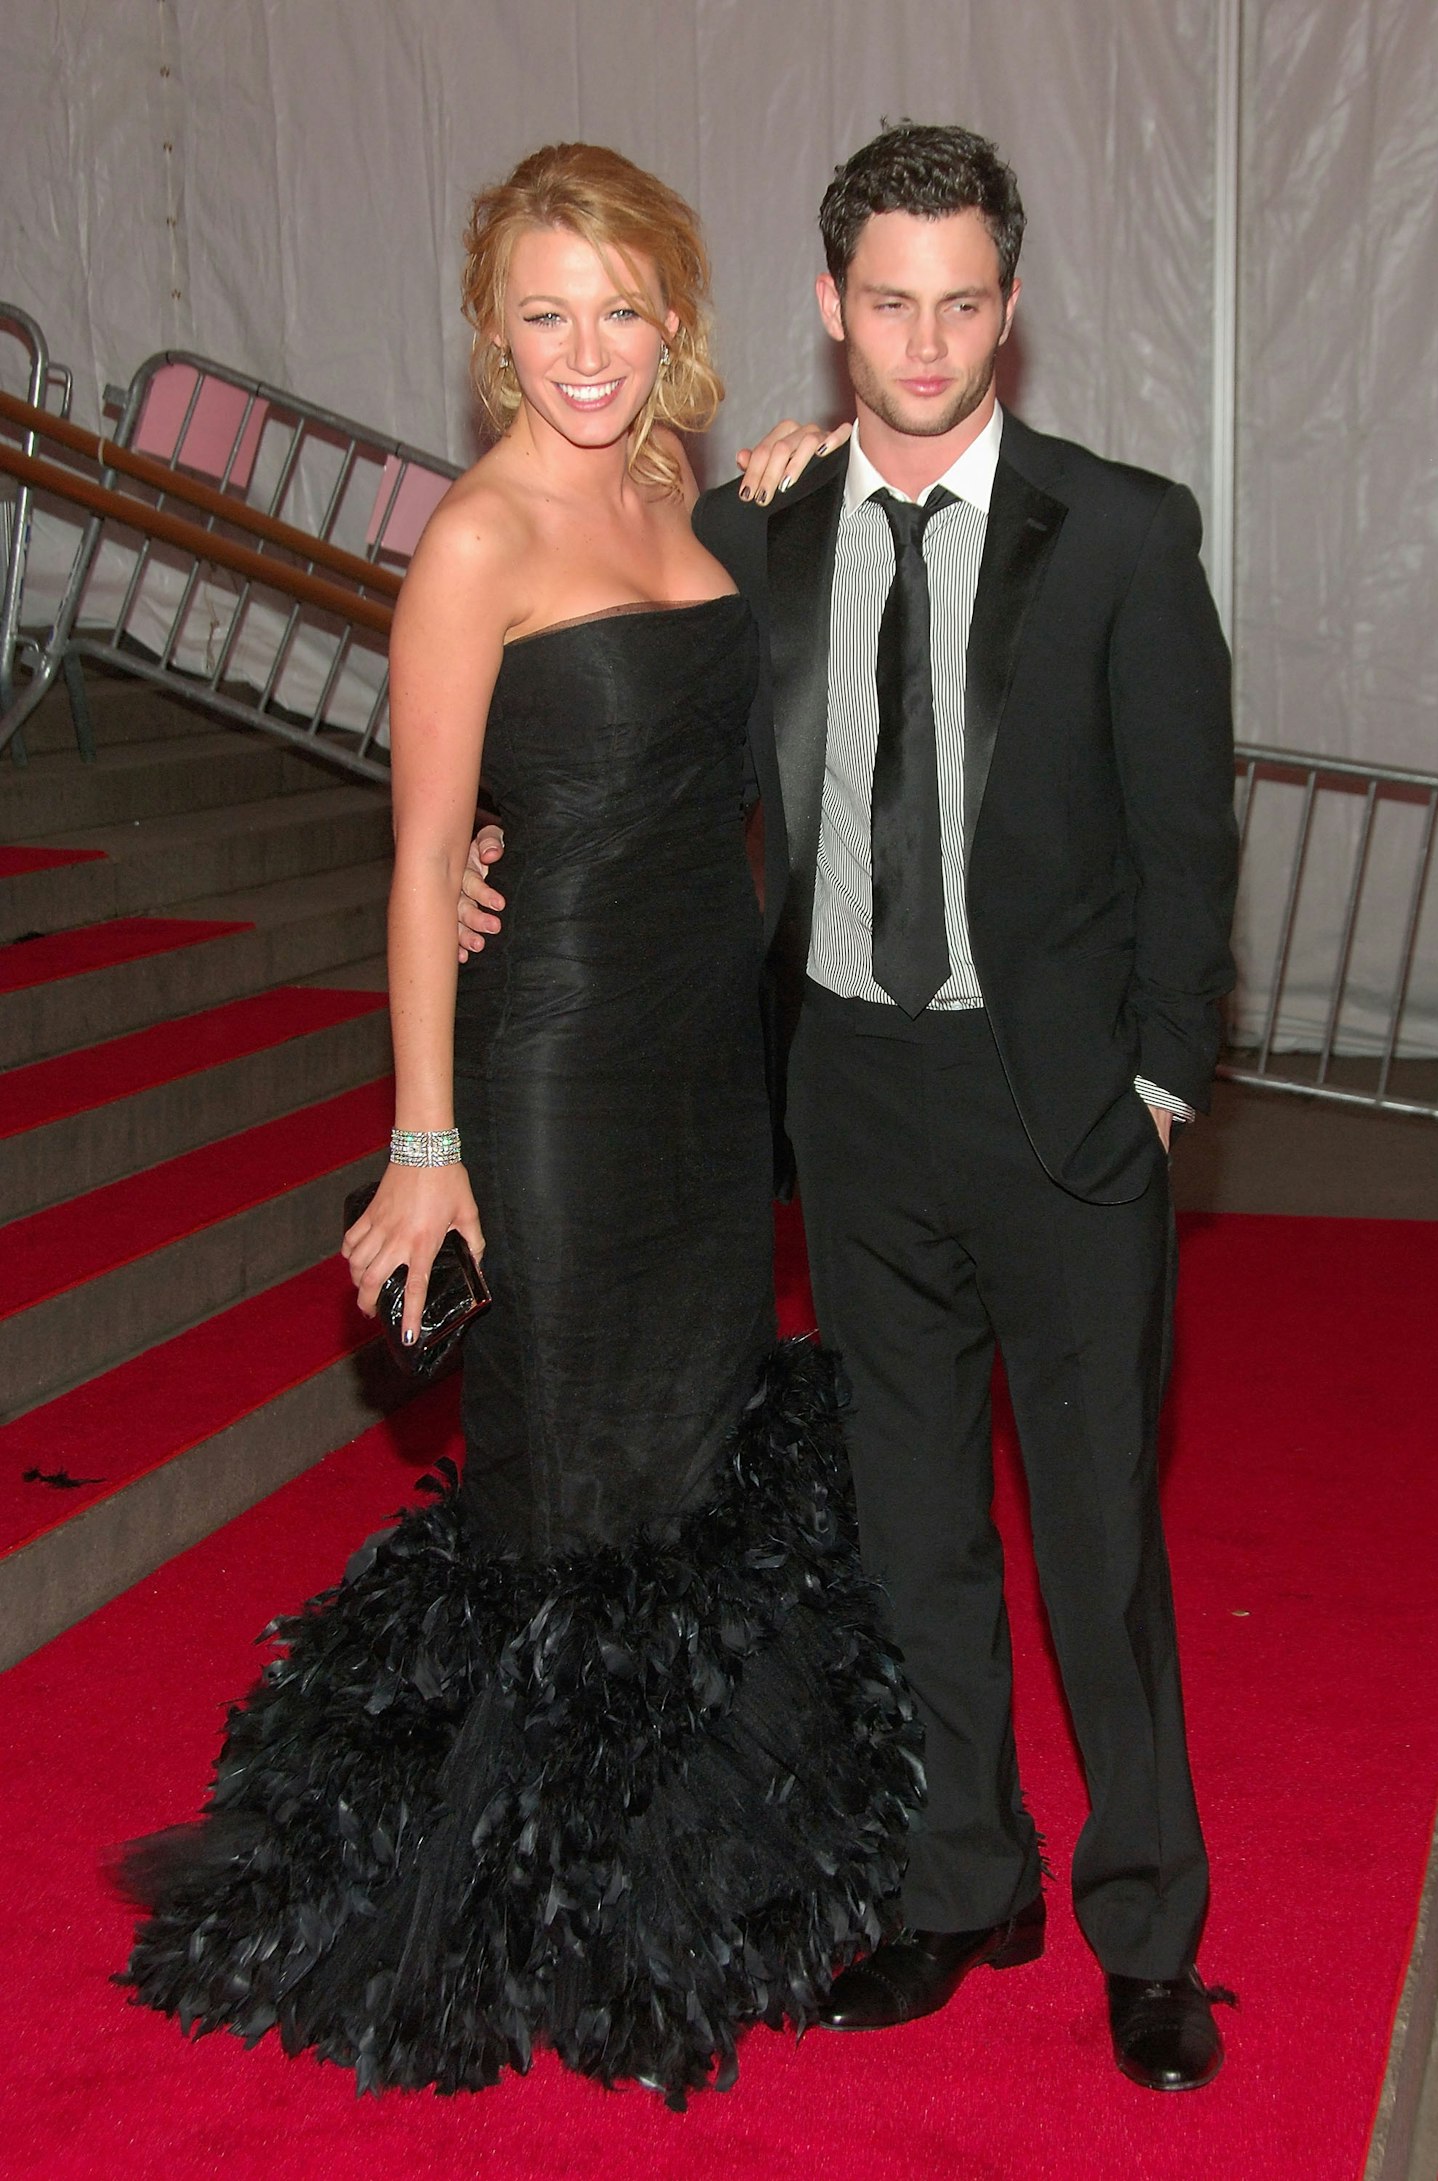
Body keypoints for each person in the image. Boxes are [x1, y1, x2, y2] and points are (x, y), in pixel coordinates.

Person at [117, 142, 920, 2108]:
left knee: (701, 1455)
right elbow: (415, 867)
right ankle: (542, 1903)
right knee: (569, 1475)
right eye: (545, 314)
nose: (585, 350)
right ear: (496, 332)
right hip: (550, 1060)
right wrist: (425, 1138)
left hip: (707, 1062)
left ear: (675, 320)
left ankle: (666, 1871)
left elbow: (754, 672)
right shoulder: (474, 540)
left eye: (619, 309)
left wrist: (793, 478)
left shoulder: (680, 490)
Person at [461, 119, 1241, 2095]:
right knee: (911, 1530)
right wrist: (489, 841)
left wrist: (1157, 1081)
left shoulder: (1127, 531)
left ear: (1011, 307)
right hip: (851, 1101)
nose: (924, 337)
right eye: (886, 301)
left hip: (1063, 1113)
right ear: (828, 309)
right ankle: (963, 1874)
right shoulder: (752, 535)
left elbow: (1186, 834)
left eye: (962, 299)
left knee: (1096, 1541)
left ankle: (1147, 1913)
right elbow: (613, 717)